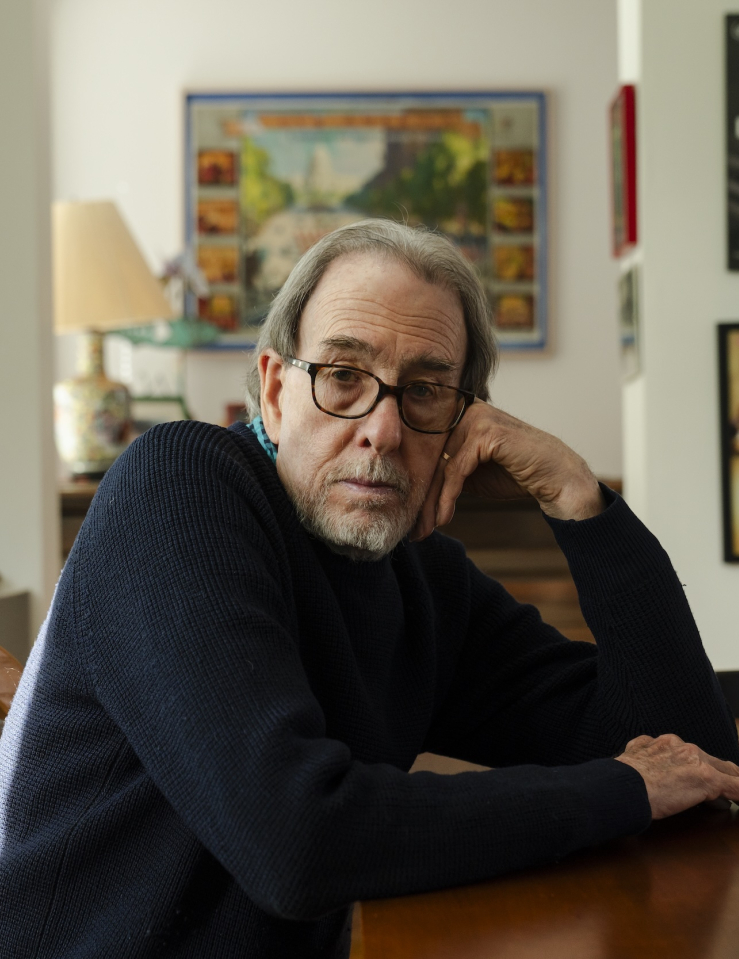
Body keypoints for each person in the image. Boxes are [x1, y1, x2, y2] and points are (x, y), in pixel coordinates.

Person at [1, 220, 738, 959]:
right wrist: (616, 788)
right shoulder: (178, 486)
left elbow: (688, 754)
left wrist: (580, 499)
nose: (382, 429)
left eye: (422, 390)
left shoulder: (425, 582)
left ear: (460, 425)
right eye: (343, 375)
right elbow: (293, 837)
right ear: (274, 389)